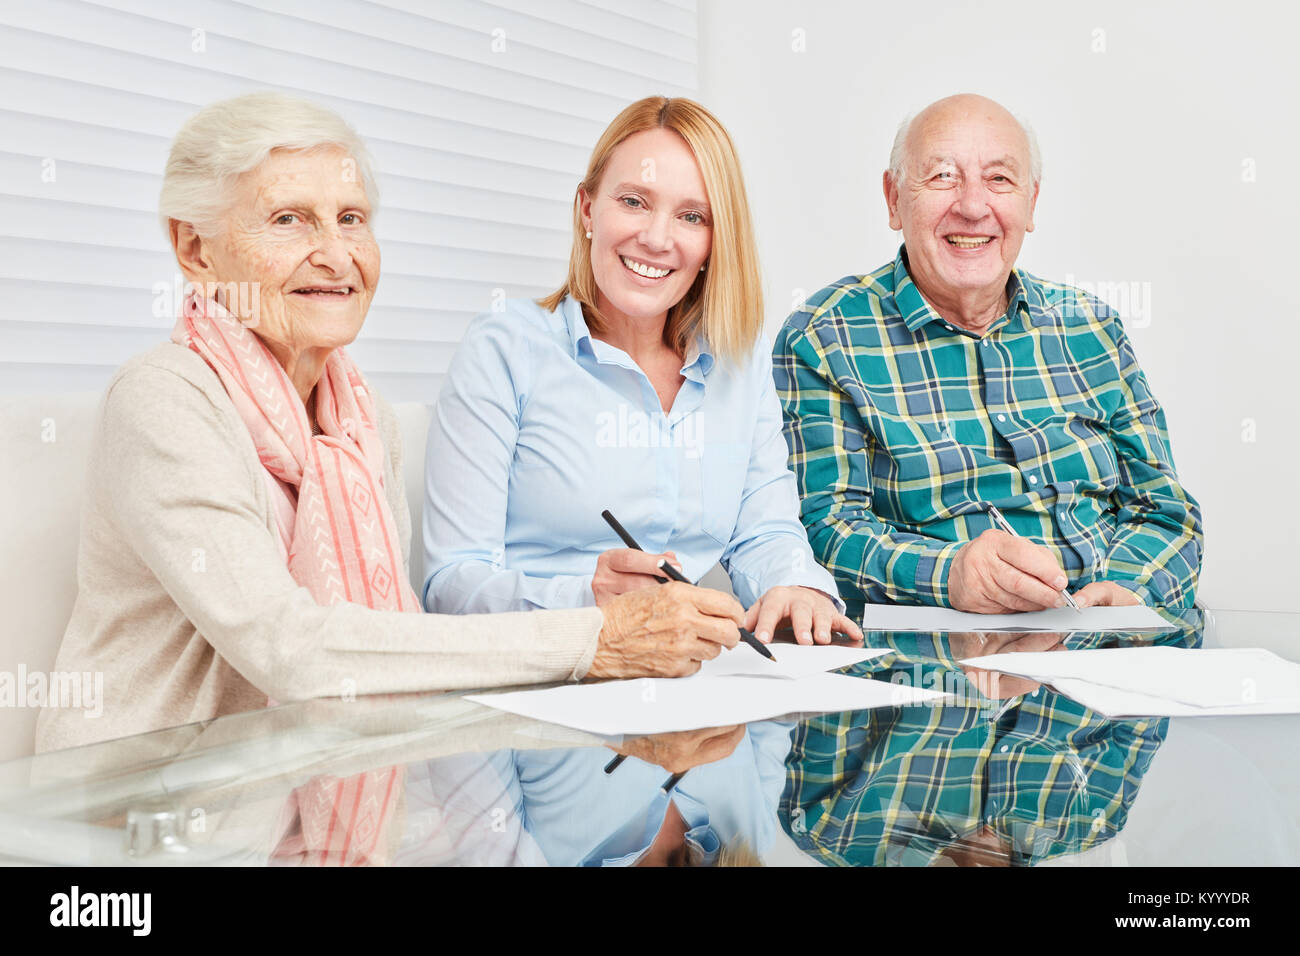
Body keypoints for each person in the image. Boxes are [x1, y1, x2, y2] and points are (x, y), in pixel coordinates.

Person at [35, 92, 749, 759]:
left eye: (351, 219)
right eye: (289, 220)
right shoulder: (165, 399)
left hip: (304, 784)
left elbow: (398, 644)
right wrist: (598, 639)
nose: (337, 254)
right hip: (136, 812)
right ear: (195, 250)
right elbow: (292, 648)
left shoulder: (360, 417)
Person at [423, 96, 860, 647]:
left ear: (713, 241)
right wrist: (588, 600)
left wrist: (797, 586)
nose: (657, 238)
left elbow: (766, 532)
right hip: (542, 684)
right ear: (587, 210)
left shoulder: (737, 363)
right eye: (633, 201)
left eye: (691, 216)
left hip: (682, 680)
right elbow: (449, 586)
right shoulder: (506, 348)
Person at [773, 93, 1202, 615]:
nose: (973, 207)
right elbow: (823, 531)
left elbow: (1166, 512)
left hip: (1110, 649)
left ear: (1032, 203)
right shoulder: (824, 336)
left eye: (999, 179)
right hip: (936, 667)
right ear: (893, 199)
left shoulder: (1092, 327)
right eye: (942, 177)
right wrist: (948, 574)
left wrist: (1130, 589)